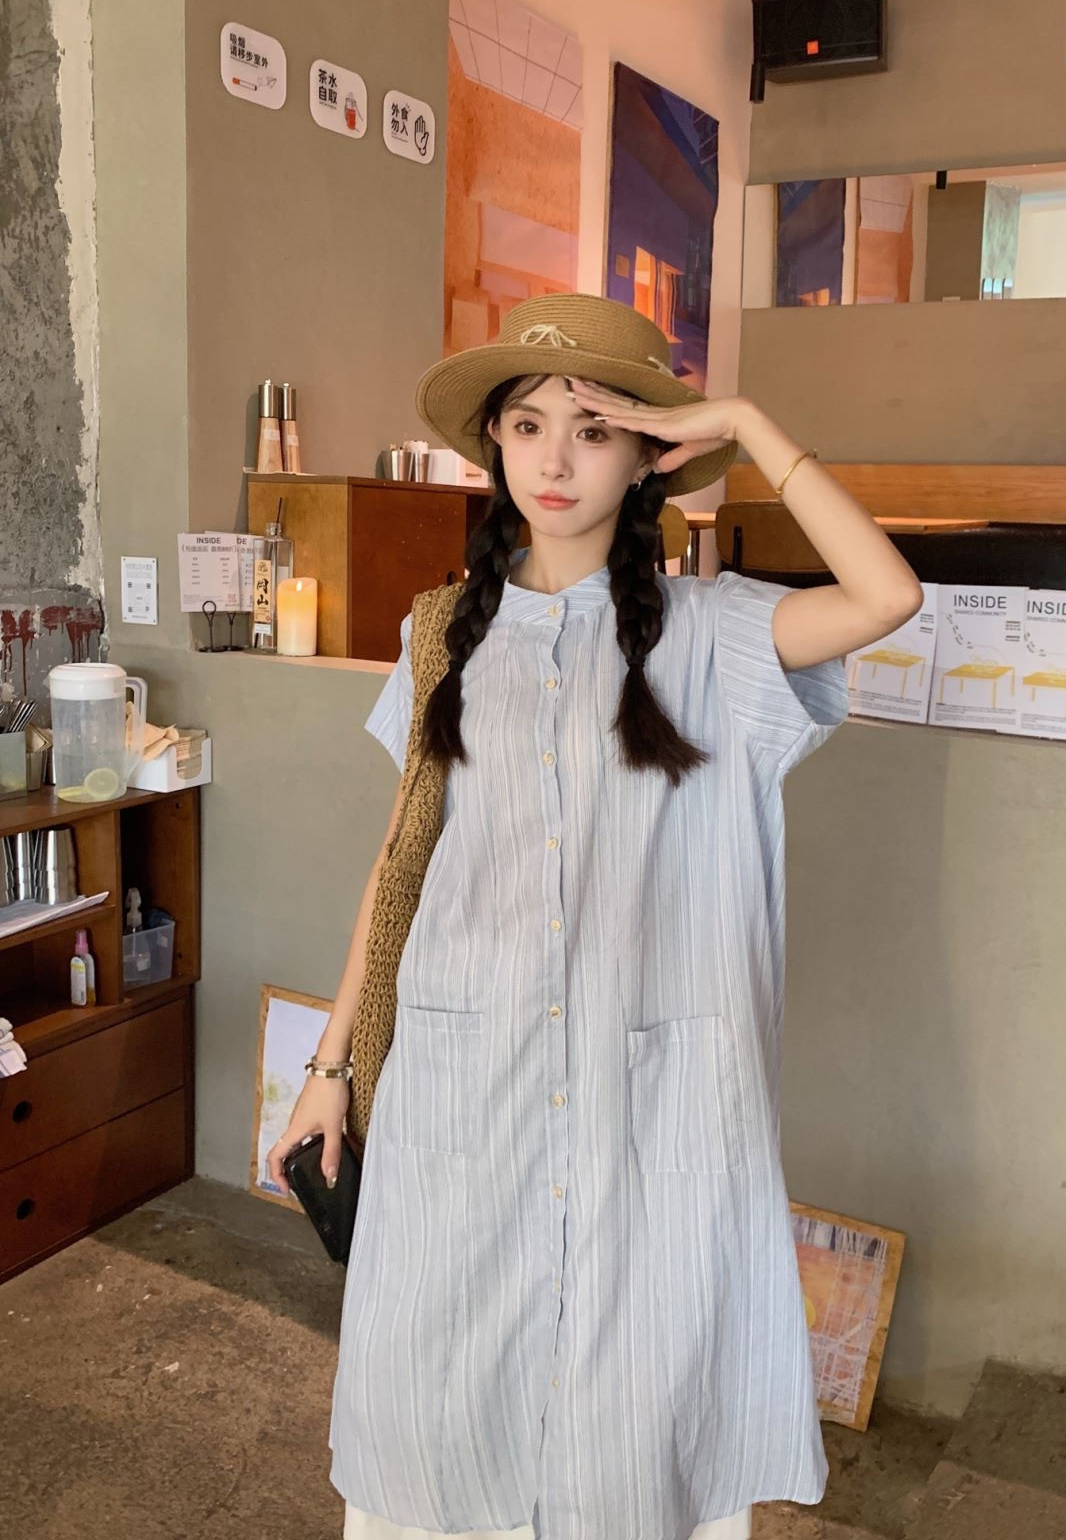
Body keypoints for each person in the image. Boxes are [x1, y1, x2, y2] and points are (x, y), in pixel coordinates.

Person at [267, 294, 922, 1540]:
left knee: (639, 1417)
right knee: (442, 1399)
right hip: (466, 1079)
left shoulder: (719, 634)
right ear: (494, 444)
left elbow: (888, 594)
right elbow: (403, 861)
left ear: (648, 454)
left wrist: (743, 422)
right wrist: (332, 1066)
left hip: (652, 1101)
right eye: (527, 425)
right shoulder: (441, 632)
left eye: (595, 428)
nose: (555, 460)